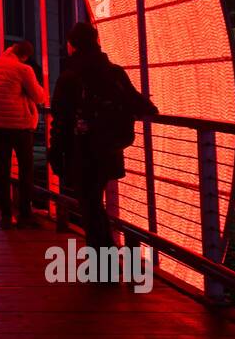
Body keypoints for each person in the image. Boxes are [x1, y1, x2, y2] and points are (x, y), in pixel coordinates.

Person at [49, 22, 158, 250]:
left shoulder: (70, 76)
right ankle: (103, 259)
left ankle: (102, 264)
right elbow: (143, 105)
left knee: (90, 205)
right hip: (109, 146)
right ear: (96, 41)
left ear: (71, 46)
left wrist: (55, 151)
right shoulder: (114, 72)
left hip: (80, 148)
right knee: (94, 203)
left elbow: (60, 119)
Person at [0, 40, 48, 229]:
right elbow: (39, 97)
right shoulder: (23, 70)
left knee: (2, 170)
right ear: (25, 56)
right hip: (20, 126)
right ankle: (25, 214)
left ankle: (5, 215)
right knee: (26, 170)